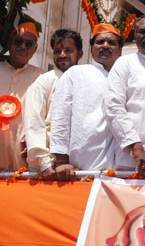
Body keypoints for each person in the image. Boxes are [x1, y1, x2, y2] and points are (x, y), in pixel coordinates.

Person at [50, 23, 123, 181]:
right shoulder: (76, 73)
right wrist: (61, 161)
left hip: (122, 171)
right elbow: (60, 117)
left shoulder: (126, 78)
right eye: (99, 42)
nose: (105, 46)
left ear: (120, 50)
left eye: (111, 42)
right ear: (91, 49)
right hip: (81, 170)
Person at [103, 15, 145, 178]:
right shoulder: (125, 63)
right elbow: (113, 107)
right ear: (135, 35)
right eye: (143, 31)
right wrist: (135, 147)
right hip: (133, 162)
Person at [24, 29, 83, 180]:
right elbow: (34, 122)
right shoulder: (44, 81)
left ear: (80, 54)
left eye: (68, 50)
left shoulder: (86, 80)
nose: (62, 55)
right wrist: (44, 163)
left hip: (80, 166)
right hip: (48, 167)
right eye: (57, 51)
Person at [0, 22, 44, 171]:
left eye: (29, 44)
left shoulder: (42, 77)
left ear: (34, 50)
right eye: (18, 41)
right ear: (10, 43)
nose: (23, 46)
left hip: (22, 164)